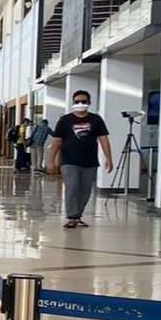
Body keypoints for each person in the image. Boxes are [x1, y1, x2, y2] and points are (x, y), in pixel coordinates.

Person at [48, 91, 112, 228]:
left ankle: (77, 215)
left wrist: (109, 159)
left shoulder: (96, 120)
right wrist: (50, 161)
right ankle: (72, 217)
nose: (80, 104)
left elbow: (104, 139)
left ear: (89, 103)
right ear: (73, 102)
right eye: (77, 101)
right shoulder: (65, 120)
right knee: (72, 187)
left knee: (85, 191)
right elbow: (56, 142)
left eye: (83, 101)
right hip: (69, 161)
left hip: (89, 162)